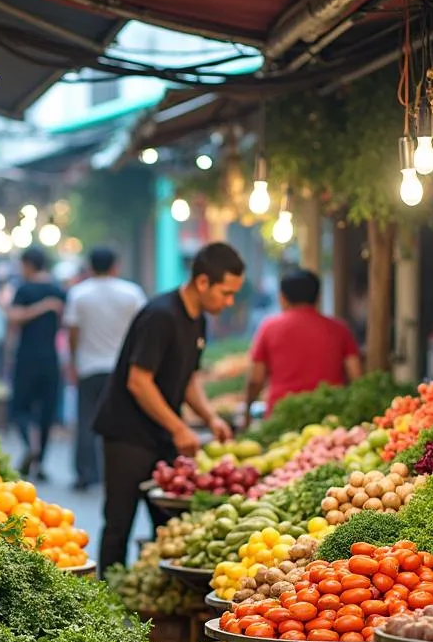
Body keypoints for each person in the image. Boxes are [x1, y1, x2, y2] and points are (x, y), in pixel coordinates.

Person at [93, 242, 245, 569]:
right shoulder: (160, 315)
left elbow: (188, 378)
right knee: (119, 522)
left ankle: (152, 601)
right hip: (127, 433)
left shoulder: (198, 320)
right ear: (203, 282)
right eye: (226, 292)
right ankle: (103, 603)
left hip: (161, 434)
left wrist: (210, 417)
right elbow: (138, 381)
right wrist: (178, 427)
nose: (229, 301)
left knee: (167, 523)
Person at [64, 247, 146, 491]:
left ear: (89, 266)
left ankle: (85, 473)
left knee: (87, 423)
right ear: (115, 265)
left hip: (89, 367)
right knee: (121, 424)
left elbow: (72, 332)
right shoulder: (132, 293)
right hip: (120, 369)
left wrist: (74, 361)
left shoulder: (79, 294)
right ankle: (121, 474)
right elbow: (142, 329)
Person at [244, 268, 362, 421]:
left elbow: (256, 378)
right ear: (318, 297)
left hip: (281, 416)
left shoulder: (269, 328)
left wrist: (247, 412)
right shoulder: (340, 329)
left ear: (282, 298)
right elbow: (356, 376)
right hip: (330, 415)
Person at [8, 247, 67, 478]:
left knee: (20, 408)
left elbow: (14, 316)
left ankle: (31, 447)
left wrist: (37, 308)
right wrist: (47, 306)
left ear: (28, 265)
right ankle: (40, 460)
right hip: (51, 357)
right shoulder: (57, 290)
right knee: (47, 410)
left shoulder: (24, 289)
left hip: (27, 356)